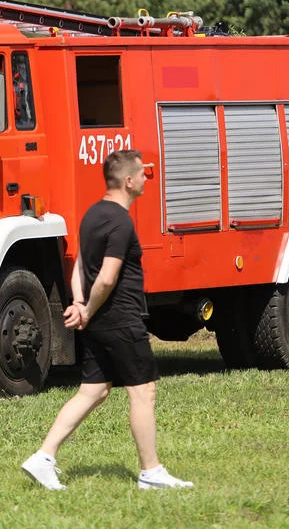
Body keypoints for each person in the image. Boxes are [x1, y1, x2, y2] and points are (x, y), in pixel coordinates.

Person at [21, 150, 193, 491]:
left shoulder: (91, 215)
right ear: (128, 181)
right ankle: (151, 472)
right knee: (143, 391)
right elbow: (107, 278)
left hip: (100, 320)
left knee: (93, 392)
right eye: (143, 174)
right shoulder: (121, 221)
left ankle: (42, 458)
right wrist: (87, 309)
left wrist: (81, 303)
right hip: (120, 318)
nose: (147, 178)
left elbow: (80, 267)